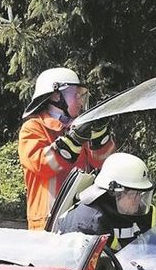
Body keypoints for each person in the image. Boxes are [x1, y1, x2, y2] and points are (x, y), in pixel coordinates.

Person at [18, 67, 115, 229]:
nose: (80, 100)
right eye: (74, 94)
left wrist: (100, 133)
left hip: (80, 217)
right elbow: (43, 165)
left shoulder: (80, 126)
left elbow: (104, 164)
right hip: (47, 221)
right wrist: (74, 139)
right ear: (56, 96)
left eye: (81, 94)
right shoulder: (33, 127)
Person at [55, 152, 156, 250]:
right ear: (115, 193)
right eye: (134, 194)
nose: (138, 200)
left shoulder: (139, 212)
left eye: (141, 194)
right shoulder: (88, 223)